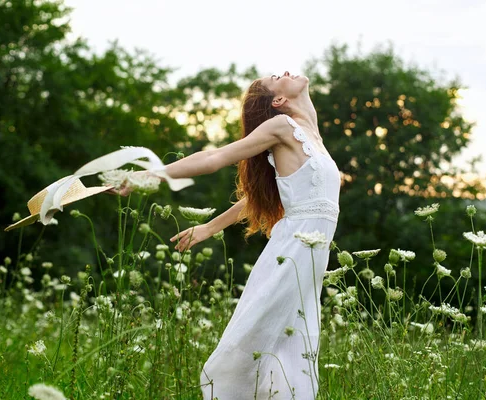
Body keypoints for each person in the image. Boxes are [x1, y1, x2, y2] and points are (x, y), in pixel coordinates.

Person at [116, 71, 341, 399]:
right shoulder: (282, 127)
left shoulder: (313, 134)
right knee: (253, 338)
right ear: (278, 101)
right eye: (276, 78)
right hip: (292, 250)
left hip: (310, 260)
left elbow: (265, 196)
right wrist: (148, 175)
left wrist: (211, 226)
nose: (285, 72)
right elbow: (213, 158)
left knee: (295, 349)